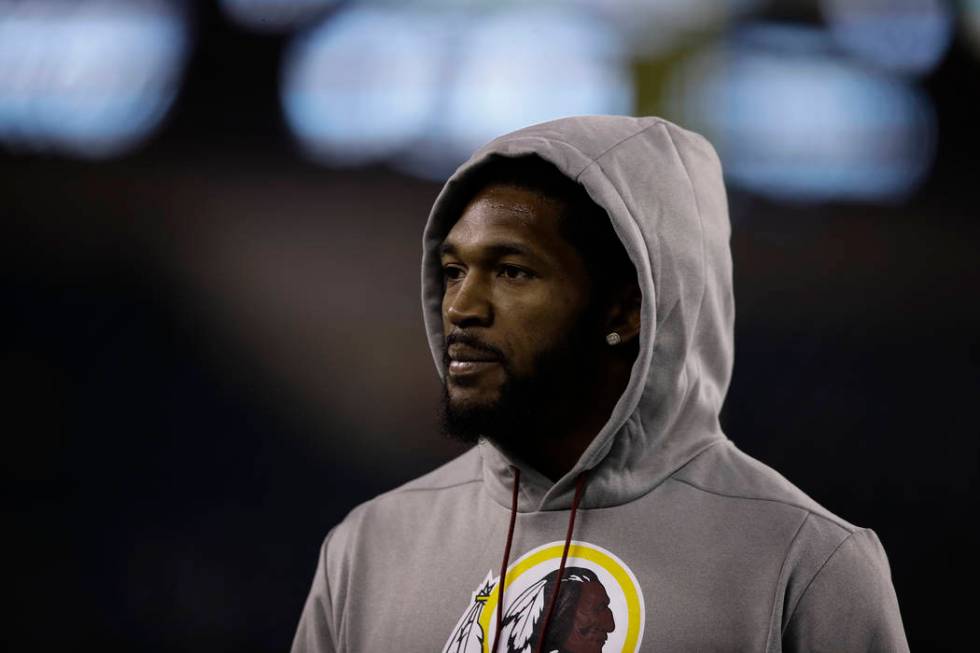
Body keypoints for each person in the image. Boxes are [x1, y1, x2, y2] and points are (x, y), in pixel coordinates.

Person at [290, 115, 909, 652]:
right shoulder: (367, 548)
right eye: (453, 271)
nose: (461, 307)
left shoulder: (807, 562)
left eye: (511, 270)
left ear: (626, 308)